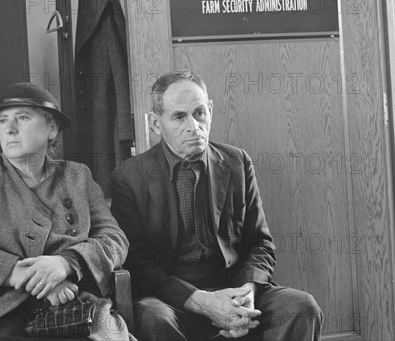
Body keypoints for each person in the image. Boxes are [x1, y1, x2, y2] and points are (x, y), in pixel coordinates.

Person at [110, 71, 322, 341]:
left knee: (301, 308)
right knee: (152, 318)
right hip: (172, 298)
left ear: (210, 110)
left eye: (199, 113)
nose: (193, 126)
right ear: (155, 124)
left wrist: (247, 294)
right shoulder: (129, 176)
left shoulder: (236, 161)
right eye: (179, 117)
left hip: (234, 288)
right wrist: (202, 302)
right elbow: (136, 263)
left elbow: (260, 242)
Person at [0, 82, 129, 341]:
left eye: (22, 118)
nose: (9, 128)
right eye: (3, 121)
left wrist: (66, 263)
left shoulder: (78, 177)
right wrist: (31, 276)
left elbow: (115, 240)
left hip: (73, 306)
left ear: (52, 128)